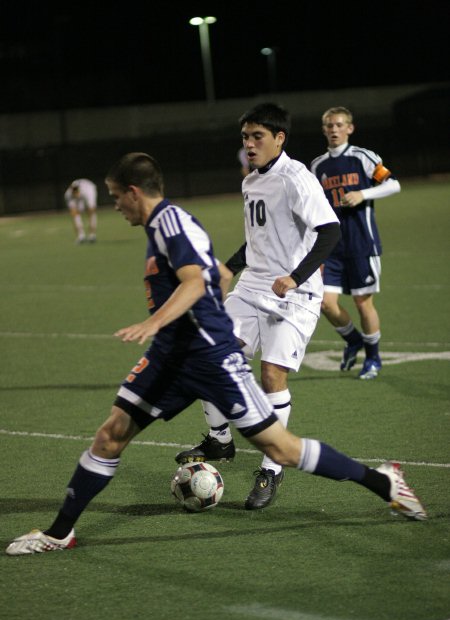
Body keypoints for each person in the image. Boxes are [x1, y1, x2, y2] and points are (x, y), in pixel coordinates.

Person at [6, 152, 426, 556]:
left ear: (134, 192)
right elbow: (208, 279)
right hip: (172, 356)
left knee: (281, 449)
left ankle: (384, 483)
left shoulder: (171, 224)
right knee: (111, 434)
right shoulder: (159, 225)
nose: (115, 206)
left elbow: (192, 283)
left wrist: (154, 321)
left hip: (210, 357)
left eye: (116, 197)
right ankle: (60, 533)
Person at [176, 102, 341, 511]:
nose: (249, 145)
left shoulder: (296, 178)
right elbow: (258, 238)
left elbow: (330, 231)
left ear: (279, 138)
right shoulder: (251, 181)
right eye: (245, 138)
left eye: (257, 137)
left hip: (296, 294)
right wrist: (229, 267)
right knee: (209, 355)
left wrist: (296, 277)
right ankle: (219, 441)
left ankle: (272, 466)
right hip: (253, 286)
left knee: (271, 375)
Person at [311, 107, 401, 379]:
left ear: (350, 128)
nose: (334, 130)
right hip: (332, 248)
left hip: (362, 243)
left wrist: (363, 193)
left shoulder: (363, 157)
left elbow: (393, 184)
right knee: (326, 303)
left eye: (339, 125)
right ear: (324, 130)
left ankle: (373, 359)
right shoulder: (317, 166)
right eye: (329, 125)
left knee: (363, 303)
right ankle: (353, 340)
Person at [64, 178, 98, 244]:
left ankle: (92, 235)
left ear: (79, 188)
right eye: (74, 189)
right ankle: (81, 236)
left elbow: (92, 209)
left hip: (89, 188)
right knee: (75, 214)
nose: (75, 190)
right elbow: (73, 212)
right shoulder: (68, 195)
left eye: (76, 189)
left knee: (91, 212)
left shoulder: (87, 190)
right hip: (79, 196)